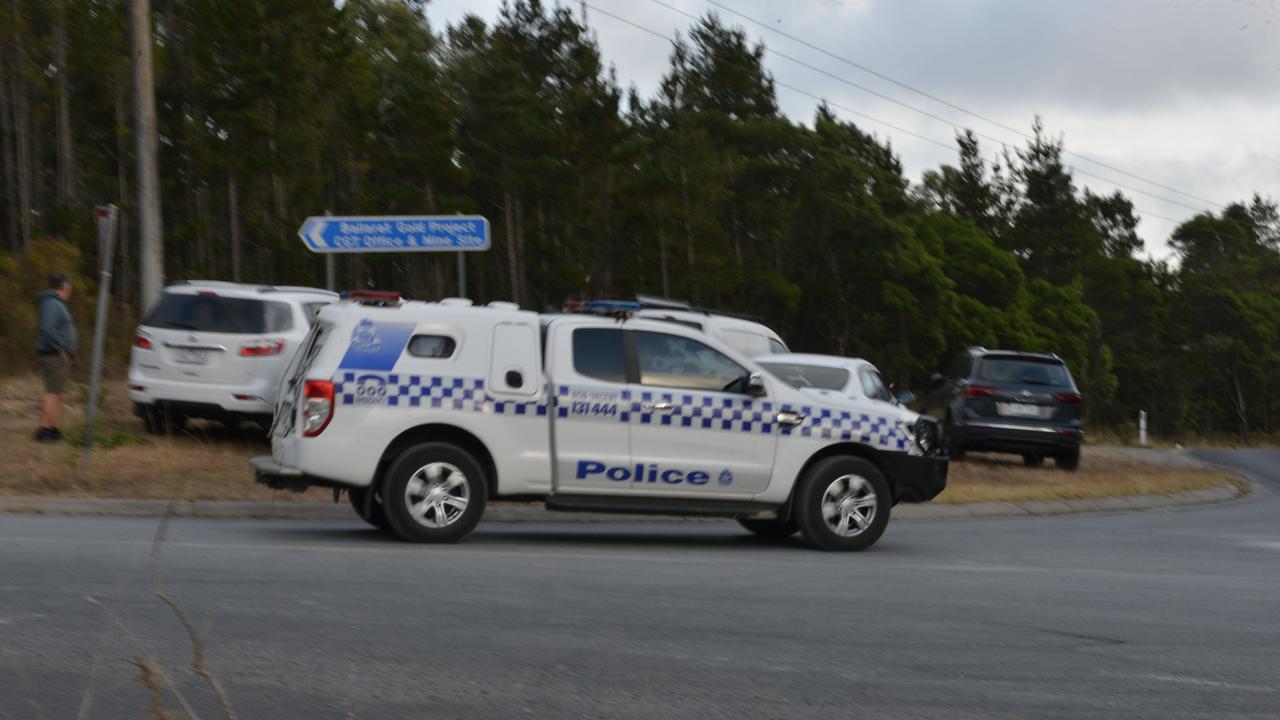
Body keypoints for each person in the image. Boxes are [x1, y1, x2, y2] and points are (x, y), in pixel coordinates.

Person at [35, 273, 77, 442]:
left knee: (56, 392)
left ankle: (52, 428)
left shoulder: (55, 303)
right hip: (53, 355)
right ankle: (45, 430)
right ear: (64, 287)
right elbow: (47, 328)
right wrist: (60, 349)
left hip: (57, 355)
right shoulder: (52, 303)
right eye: (69, 288)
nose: (70, 292)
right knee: (52, 392)